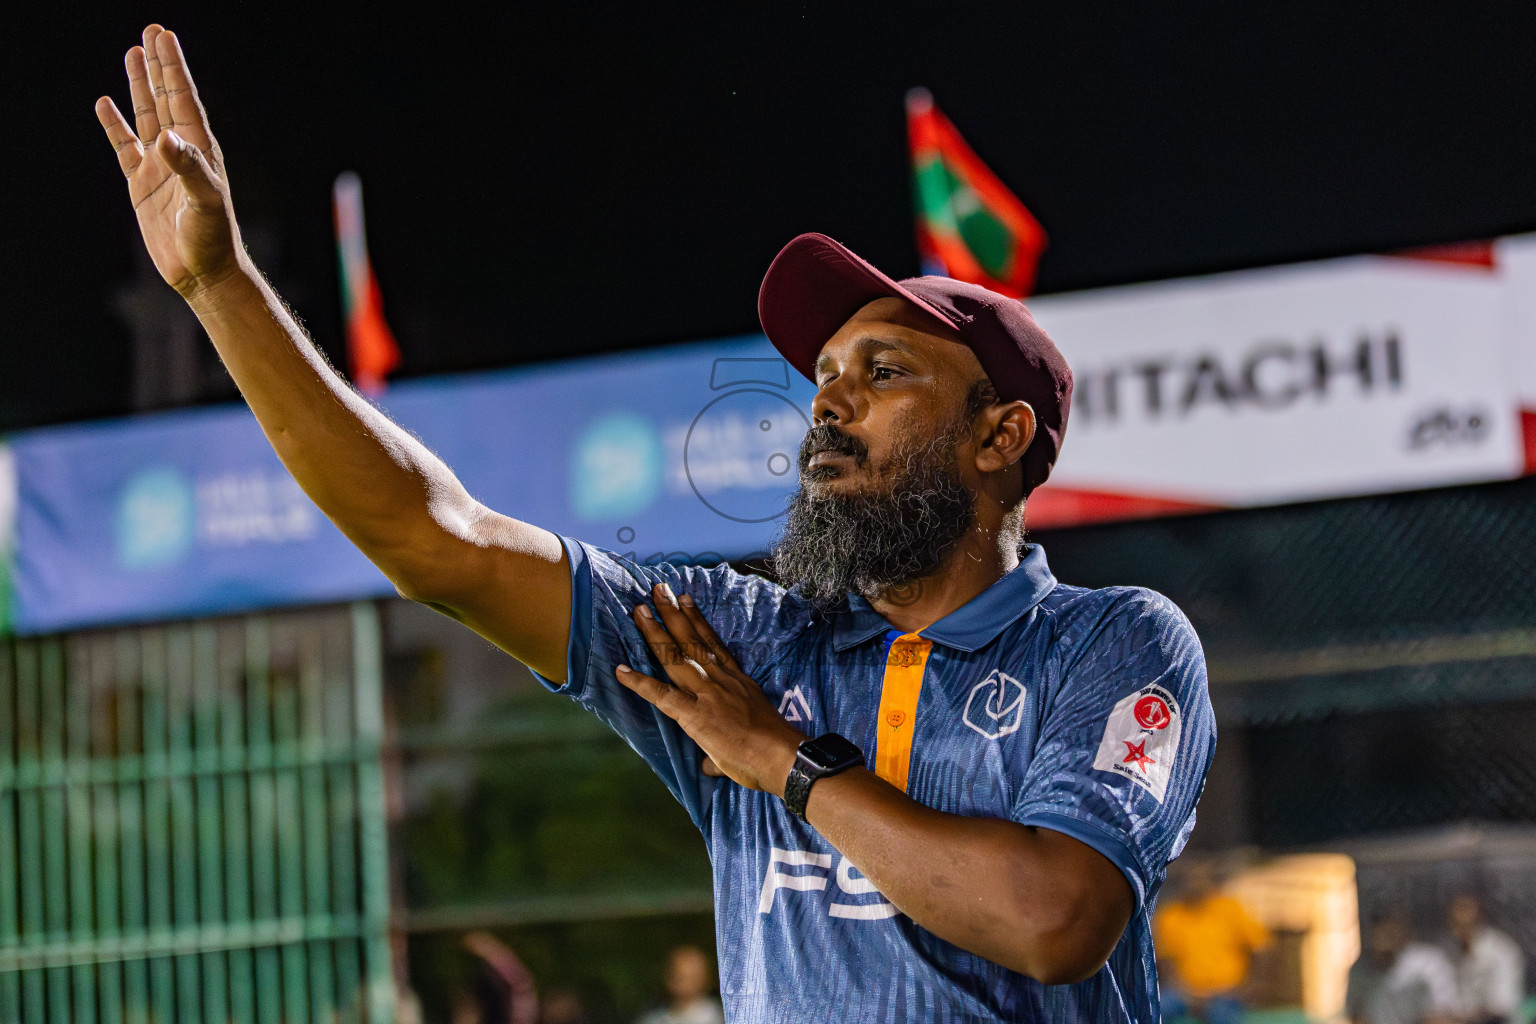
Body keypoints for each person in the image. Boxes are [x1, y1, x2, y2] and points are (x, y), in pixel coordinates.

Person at [94, 25, 1216, 1023]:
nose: (827, 400)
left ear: (997, 435)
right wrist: (221, 287)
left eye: (883, 372)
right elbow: (435, 541)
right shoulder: (736, 642)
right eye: (823, 375)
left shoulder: (1114, 642)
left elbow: (1056, 917)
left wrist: (786, 761)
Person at [1154, 861, 1270, 1024]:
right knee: (1154, 1010)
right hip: (1185, 993)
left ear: (1209, 881)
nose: (1193, 884)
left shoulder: (1229, 908)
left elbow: (1260, 947)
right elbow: (1165, 959)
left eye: (1198, 879)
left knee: (1221, 1015)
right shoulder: (1171, 915)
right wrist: (1183, 989)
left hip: (1225, 991)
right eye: (1188, 879)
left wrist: (1252, 985)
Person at [1344, 914, 1457, 1024]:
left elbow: (1437, 1017)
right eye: (1380, 933)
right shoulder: (1360, 972)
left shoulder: (1424, 966)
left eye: (1391, 933)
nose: (1385, 940)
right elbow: (1356, 1017)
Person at [1447, 896, 1525, 1024]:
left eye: (1467, 924)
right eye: (1456, 924)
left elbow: (1502, 1005)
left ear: (1479, 921)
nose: (1460, 930)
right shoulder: (1453, 952)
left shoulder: (1500, 951)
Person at [635, 945, 725, 1024]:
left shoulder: (720, 1018)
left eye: (689, 976)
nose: (681, 982)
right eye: (676, 974)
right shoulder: (654, 1018)